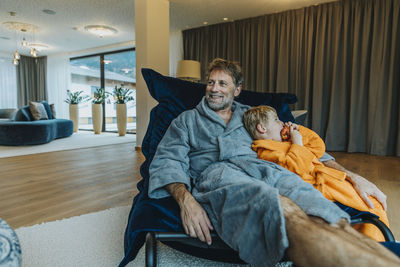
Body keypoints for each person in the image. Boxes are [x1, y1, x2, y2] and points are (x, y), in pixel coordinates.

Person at [148, 58, 400, 266]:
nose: (214, 88)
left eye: (223, 83)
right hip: (217, 175)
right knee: (267, 201)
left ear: (237, 90)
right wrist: (186, 200)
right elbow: (168, 159)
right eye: (211, 82)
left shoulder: (252, 115)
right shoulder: (186, 121)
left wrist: (353, 176)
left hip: (266, 168)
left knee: (312, 201)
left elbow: (306, 148)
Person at [243, 105, 389, 241]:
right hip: (320, 189)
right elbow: (297, 169)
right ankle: (375, 244)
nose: (281, 122)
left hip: (330, 181)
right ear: (262, 128)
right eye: (276, 120)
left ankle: (373, 240)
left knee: (372, 202)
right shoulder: (266, 152)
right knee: (371, 207)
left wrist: (299, 131)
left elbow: (318, 148)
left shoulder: (285, 142)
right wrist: (297, 143)